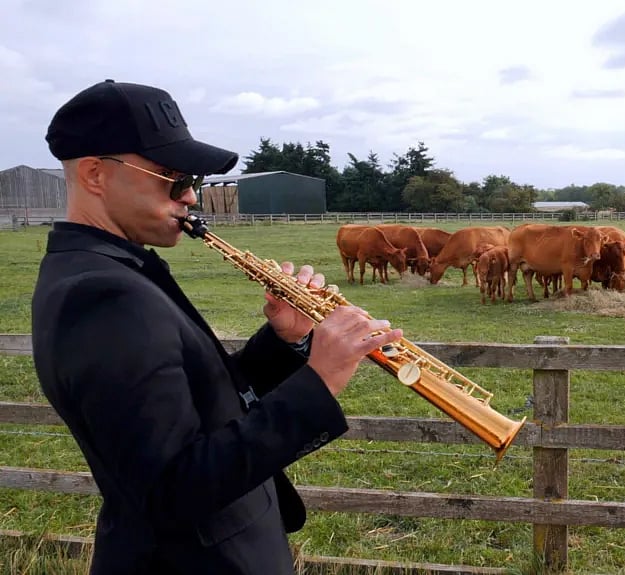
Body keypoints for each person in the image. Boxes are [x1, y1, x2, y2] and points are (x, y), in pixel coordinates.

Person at [31, 79, 404, 574]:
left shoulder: (115, 268)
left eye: (194, 181)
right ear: (96, 175)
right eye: (172, 178)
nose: (190, 196)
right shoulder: (101, 295)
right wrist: (321, 380)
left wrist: (284, 341)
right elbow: (171, 491)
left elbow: (200, 406)